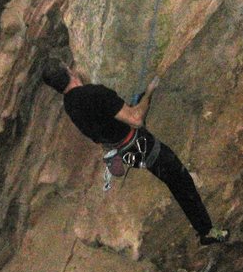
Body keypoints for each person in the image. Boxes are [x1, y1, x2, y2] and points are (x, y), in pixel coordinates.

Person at [41, 58, 229, 245]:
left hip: (126, 152)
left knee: (174, 179)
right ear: (69, 70)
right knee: (181, 181)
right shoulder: (95, 93)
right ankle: (207, 232)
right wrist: (149, 92)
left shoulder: (70, 105)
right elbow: (136, 119)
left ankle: (204, 228)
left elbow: (102, 123)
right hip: (142, 146)